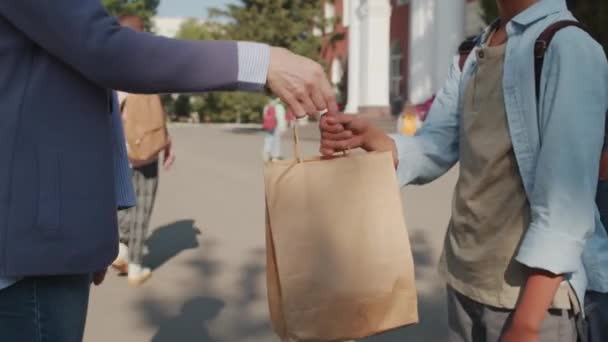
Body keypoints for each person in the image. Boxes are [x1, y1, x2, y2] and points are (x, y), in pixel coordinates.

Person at [0, 0, 338, 339]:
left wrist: (98, 225)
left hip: (42, 240)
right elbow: (106, 51)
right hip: (26, 253)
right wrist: (261, 61)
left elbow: (82, 80)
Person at [320, 0, 608, 341]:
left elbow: (567, 204)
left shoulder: (567, 46)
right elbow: (438, 142)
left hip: (535, 301)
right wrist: (378, 141)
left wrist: (528, 323)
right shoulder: (475, 50)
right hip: (464, 280)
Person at [110, 14, 176, 287]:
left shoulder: (109, 64)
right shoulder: (148, 64)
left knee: (122, 200)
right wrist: (166, 140)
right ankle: (135, 265)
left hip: (118, 147)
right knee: (143, 205)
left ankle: (120, 248)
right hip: (146, 146)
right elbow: (154, 109)